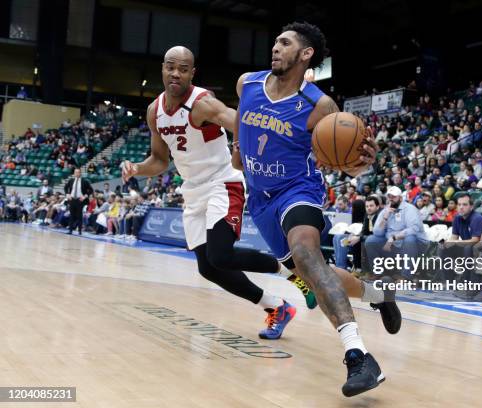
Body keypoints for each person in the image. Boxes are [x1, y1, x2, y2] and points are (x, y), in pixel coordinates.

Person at [231, 22, 401, 396]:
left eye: (285, 42)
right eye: (276, 41)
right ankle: (378, 294)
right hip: (260, 200)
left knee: (308, 254)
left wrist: (361, 163)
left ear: (305, 54)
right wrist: (239, 150)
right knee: (311, 272)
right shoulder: (248, 84)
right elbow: (241, 134)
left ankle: (358, 355)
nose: (275, 47)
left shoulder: (319, 105)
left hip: (298, 191)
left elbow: (347, 161)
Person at [121, 45, 318, 344]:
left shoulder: (203, 104)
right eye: (170, 67)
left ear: (192, 73)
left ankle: (294, 274)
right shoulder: (154, 112)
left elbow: (243, 121)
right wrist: (136, 168)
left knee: (221, 254)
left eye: (183, 68)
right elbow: (160, 161)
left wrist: (279, 123)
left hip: (223, 183)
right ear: (162, 69)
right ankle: (277, 307)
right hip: (193, 191)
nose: (176, 73)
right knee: (208, 268)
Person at [366, 186, 429, 278]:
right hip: (394, 246)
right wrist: (385, 218)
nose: (391, 199)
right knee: (371, 240)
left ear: (400, 198)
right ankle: (378, 273)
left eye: (394, 197)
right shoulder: (385, 211)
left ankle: (406, 277)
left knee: (410, 239)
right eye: (389, 196)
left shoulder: (409, 209)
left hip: (413, 245)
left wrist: (394, 237)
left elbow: (413, 229)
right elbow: (377, 233)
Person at [439, 193, 482, 298]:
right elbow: (454, 238)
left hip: (479, 251)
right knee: (443, 249)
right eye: (459, 204)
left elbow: (475, 240)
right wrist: (446, 243)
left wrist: (455, 243)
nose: (461, 207)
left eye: (464, 204)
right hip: (465, 248)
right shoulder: (457, 218)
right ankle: (450, 282)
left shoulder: (477, 218)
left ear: (471, 206)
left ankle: (465, 284)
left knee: (468, 248)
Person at [64, 168, 93, 235]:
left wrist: (84, 196)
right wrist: (67, 194)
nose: (77, 174)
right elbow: (66, 187)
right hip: (72, 199)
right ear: (74, 173)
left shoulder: (84, 181)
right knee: (71, 215)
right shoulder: (71, 180)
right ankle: (70, 230)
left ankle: (80, 231)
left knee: (79, 216)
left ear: (80, 173)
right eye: (75, 172)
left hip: (80, 200)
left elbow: (91, 190)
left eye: (78, 172)